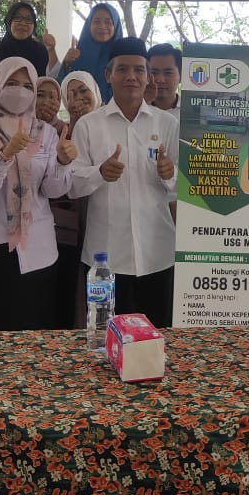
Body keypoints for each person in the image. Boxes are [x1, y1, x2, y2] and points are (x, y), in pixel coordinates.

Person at [0, 58, 74, 331]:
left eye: (27, 86)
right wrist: (5, 155)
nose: (20, 91)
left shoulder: (45, 132)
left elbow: (52, 190)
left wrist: (62, 162)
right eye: (11, 83)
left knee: (36, 335)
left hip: (40, 251)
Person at [68, 37, 179, 328]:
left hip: (157, 256)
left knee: (156, 341)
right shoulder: (89, 125)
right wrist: (99, 173)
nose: (131, 76)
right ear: (108, 75)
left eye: (139, 69)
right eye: (122, 69)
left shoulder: (167, 124)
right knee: (105, 342)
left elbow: (187, 188)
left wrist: (170, 174)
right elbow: (72, 184)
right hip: (105, 261)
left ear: (148, 76)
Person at [49, 70, 103, 328]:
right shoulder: (61, 131)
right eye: (71, 94)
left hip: (102, 211)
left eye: (84, 91)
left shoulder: (110, 125)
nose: (79, 98)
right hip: (71, 221)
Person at [53, 3, 124, 102]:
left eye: (108, 22)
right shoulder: (76, 56)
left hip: (115, 111)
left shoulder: (123, 58)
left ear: (115, 26)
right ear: (89, 25)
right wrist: (66, 64)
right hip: (79, 110)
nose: (102, 26)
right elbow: (58, 91)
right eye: (97, 21)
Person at [0, 2, 51, 78]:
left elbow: (53, 77)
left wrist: (52, 50)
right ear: (8, 21)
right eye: (17, 17)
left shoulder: (42, 50)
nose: (23, 23)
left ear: (34, 25)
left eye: (28, 19)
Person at [147, 43, 182, 118]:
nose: (160, 80)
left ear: (180, 76)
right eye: (154, 73)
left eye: (168, 73)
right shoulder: (135, 111)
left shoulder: (189, 113)